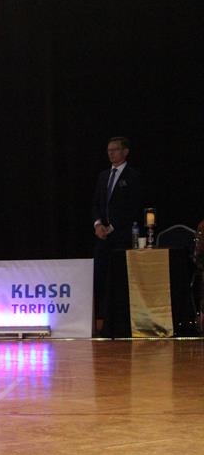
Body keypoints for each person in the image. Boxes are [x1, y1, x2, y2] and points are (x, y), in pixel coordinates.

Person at [91, 136, 143, 332]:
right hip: (102, 237)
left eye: (115, 150)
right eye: (109, 150)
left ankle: (120, 320)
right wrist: (98, 224)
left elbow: (133, 207)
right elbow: (96, 204)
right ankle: (101, 319)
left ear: (125, 152)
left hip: (122, 236)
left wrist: (112, 227)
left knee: (119, 279)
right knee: (100, 276)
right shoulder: (103, 176)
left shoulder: (133, 176)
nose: (111, 153)